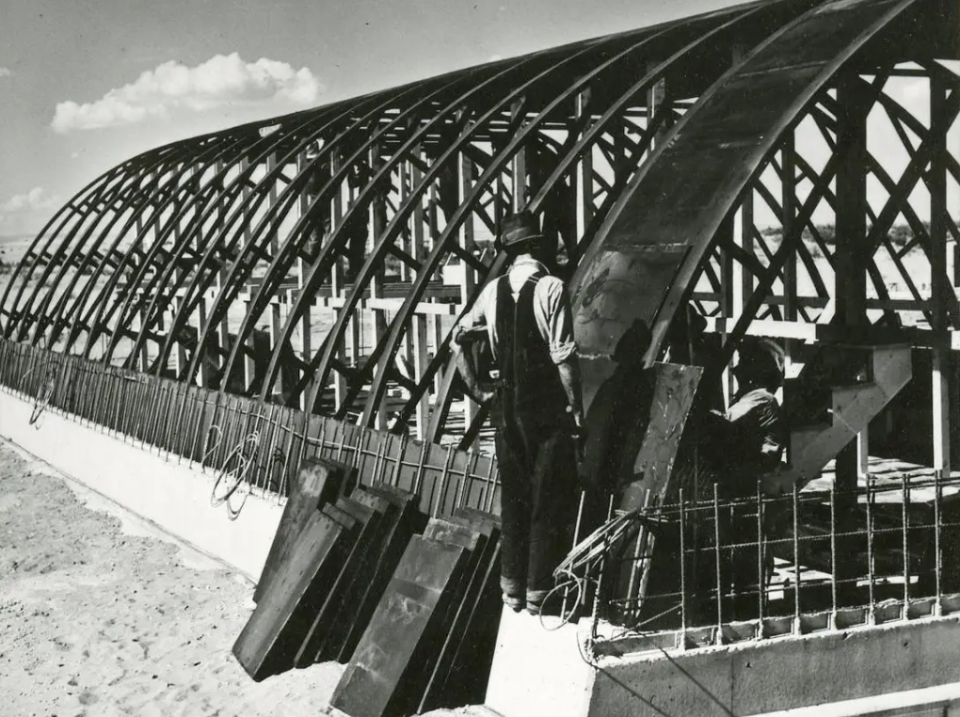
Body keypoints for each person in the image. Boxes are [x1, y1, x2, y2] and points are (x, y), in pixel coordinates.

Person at [453, 210, 584, 614]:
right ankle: (538, 591)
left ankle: (510, 588)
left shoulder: (492, 292)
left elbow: (458, 338)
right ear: (536, 246)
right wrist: (576, 408)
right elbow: (563, 358)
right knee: (548, 495)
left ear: (508, 251)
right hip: (544, 408)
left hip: (505, 407)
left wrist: (477, 390)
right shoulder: (552, 288)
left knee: (514, 495)